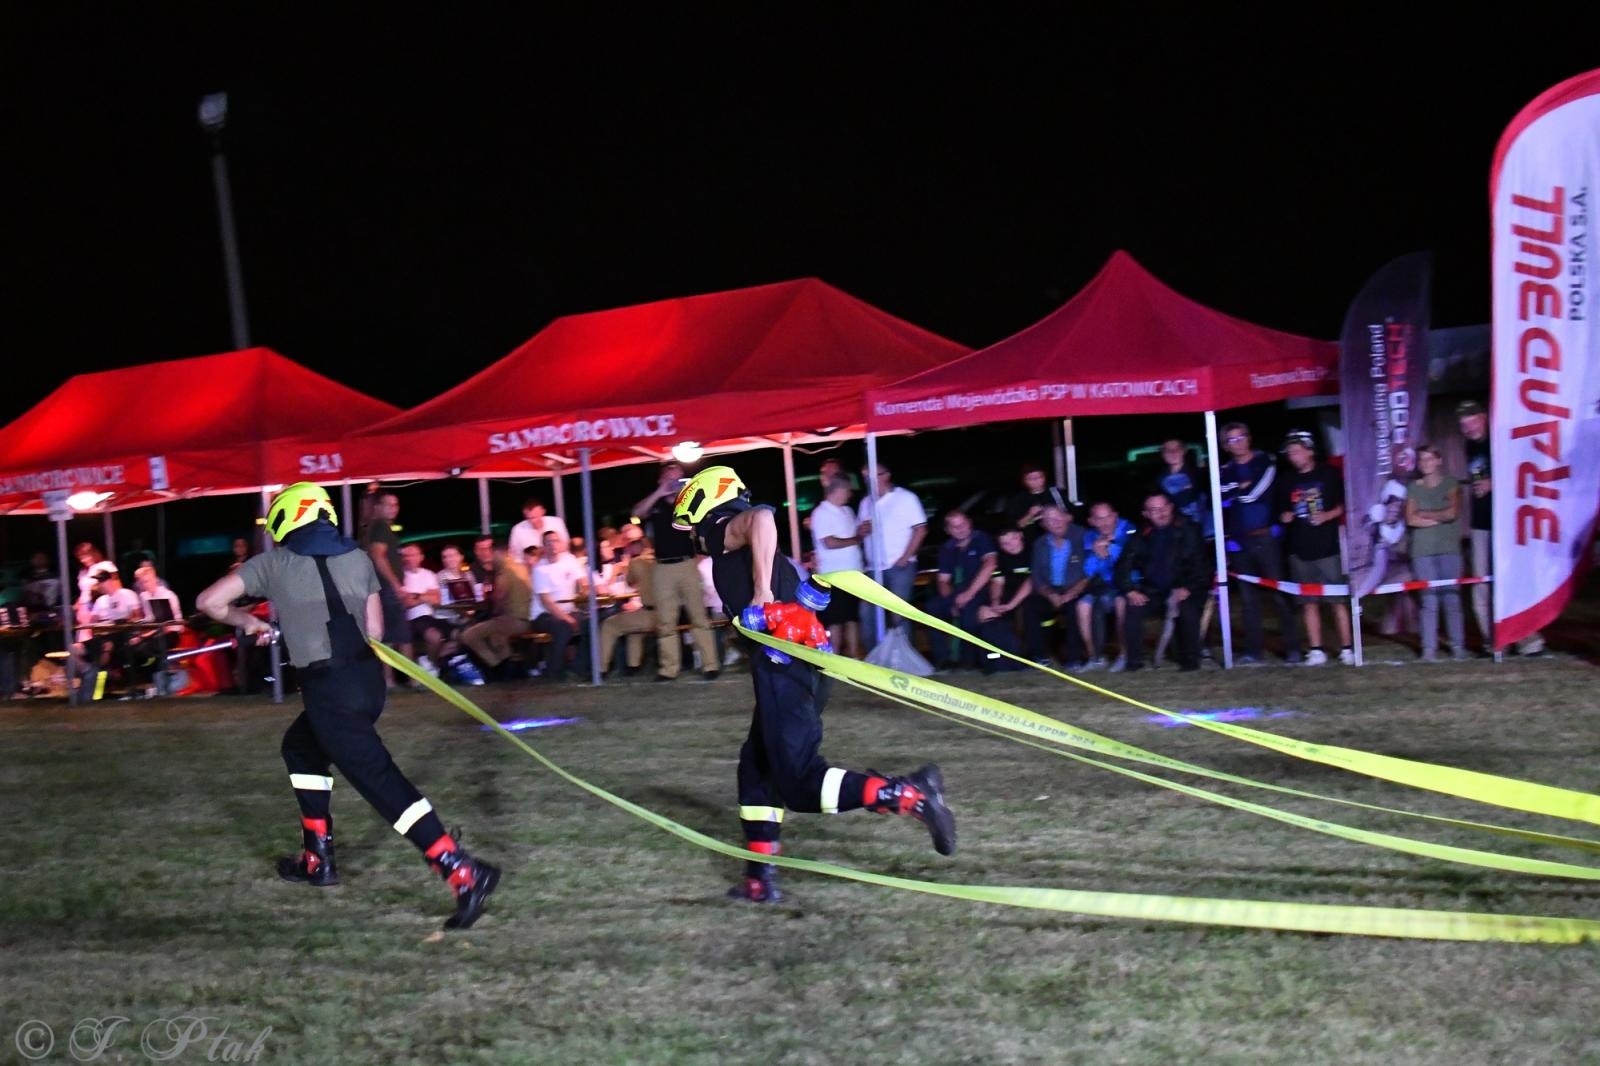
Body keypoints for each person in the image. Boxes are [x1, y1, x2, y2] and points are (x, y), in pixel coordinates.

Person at [195, 483, 500, 930]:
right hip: (367, 683)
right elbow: (373, 630)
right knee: (300, 748)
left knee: (379, 780)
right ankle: (317, 858)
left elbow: (208, 602)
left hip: (329, 690)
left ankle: (461, 870)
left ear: (284, 519)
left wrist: (250, 622)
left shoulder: (273, 563)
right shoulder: (358, 557)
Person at [672, 465, 955, 903]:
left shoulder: (720, 527)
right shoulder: (743, 544)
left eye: (692, 523)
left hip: (784, 665)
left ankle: (909, 794)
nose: (694, 535)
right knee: (756, 768)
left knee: (801, 784)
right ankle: (759, 880)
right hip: (790, 662)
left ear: (704, 501)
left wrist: (762, 594)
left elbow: (762, 517)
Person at [1458, 399, 1544, 655]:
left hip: (1506, 522)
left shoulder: (1502, 440)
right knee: (1481, 582)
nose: (1469, 428)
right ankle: (1495, 642)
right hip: (1480, 523)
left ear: (1484, 418)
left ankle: (1528, 639)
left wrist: (1493, 484)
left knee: (1512, 579)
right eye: (1464, 425)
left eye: (1472, 422)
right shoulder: (1470, 446)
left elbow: (1523, 472)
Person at [1219, 422, 1302, 664]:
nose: (1238, 443)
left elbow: (1252, 494)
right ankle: (1253, 651)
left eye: (1241, 437)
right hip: (1239, 541)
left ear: (1249, 438)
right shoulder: (1224, 470)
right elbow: (1222, 498)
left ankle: (1293, 648)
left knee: (1279, 593)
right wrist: (1238, 491)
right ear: (1225, 446)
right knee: (1248, 599)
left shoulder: (1265, 461)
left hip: (1266, 538)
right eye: (1232, 440)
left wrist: (1236, 492)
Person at [633, 462, 719, 682]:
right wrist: (660, 492)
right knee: (666, 621)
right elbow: (636, 513)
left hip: (687, 564)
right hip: (662, 567)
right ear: (661, 479)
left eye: (678, 477)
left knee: (698, 616)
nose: (673, 481)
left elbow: (705, 519)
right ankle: (669, 669)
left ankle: (710, 665)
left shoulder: (688, 501)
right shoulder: (655, 503)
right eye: (669, 477)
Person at [1275, 430, 1352, 666]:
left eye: (1297, 451)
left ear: (1310, 451)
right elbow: (1281, 511)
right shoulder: (1286, 480)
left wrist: (1327, 515)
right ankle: (1316, 650)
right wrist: (1285, 516)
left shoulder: (1328, 474)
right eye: (1290, 453)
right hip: (1298, 550)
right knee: (1308, 602)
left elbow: (1344, 505)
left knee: (1337, 601)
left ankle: (1347, 649)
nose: (1293, 456)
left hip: (1327, 549)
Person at [1116, 493, 1209, 672]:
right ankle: (1134, 662)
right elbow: (1123, 566)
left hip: (1186, 588)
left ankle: (1190, 661)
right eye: (1154, 509)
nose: (1161, 512)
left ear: (1171, 507)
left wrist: (1188, 588)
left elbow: (1202, 565)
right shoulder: (1140, 535)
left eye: (1164, 507)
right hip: (1154, 591)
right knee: (1132, 607)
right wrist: (1130, 590)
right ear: (1146, 514)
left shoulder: (1190, 530)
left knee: (1187, 608)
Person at [856, 460, 928, 650]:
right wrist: (862, 531)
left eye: (872, 476)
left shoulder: (906, 498)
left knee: (899, 614)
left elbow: (921, 529)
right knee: (867, 613)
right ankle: (875, 657)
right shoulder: (865, 502)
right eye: (865, 477)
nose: (868, 481)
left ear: (886, 475)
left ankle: (905, 657)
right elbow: (860, 532)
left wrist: (905, 558)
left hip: (899, 566)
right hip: (873, 568)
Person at [1407, 444, 1469, 662]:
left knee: (1451, 599)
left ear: (1438, 460)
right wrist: (1438, 518)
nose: (1425, 463)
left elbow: (1452, 513)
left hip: (1449, 549)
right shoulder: (1414, 487)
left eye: (1429, 459)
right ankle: (1428, 650)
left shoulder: (1451, 483)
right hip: (1422, 551)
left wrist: (1425, 513)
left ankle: (1458, 647)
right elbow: (1410, 519)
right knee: (1428, 601)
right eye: (1421, 459)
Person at [925, 510, 997, 668]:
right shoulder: (947, 549)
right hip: (957, 594)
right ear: (948, 530)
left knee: (969, 615)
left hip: (981, 590)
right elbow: (943, 581)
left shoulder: (981, 539)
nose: (961, 529)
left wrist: (968, 594)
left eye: (963, 524)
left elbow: (990, 564)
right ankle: (943, 660)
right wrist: (951, 602)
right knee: (932, 608)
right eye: (955, 527)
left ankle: (969, 660)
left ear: (969, 523)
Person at [460, 541, 533, 681]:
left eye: (492, 554)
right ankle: (510, 670)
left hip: (512, 620)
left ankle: (496, 667)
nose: (491, 558)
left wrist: (490, 602)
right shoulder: (521, 568)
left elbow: (499, 597)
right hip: (525, 619)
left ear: (498, 553)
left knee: (469, 635)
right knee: (496, 636)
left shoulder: (504, 571)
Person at [359, 491, 412, 683]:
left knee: (388, 635)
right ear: (378, 507)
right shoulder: (380, 527)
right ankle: (411, 679)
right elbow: (378, 555)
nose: (393, 508)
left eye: (395, 504)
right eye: (388, 504)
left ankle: (390, 680)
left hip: (381, 588)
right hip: (387, 588)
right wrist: (396, 585)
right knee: (402, 635)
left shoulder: (376, 528)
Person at [808, 476, 864, 658]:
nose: (850, 494)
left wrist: (861, 533)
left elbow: (853, 535)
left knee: (852, 618)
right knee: (836, 621)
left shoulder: (848, 511)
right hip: (834, 577)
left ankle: (854, 657)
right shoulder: (821, 513)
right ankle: (835, 660)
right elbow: (829, 542)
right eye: (848, 490)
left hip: (853, 575)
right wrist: (856, 539)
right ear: (839, 490)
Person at [1026, 506, 1089, 665]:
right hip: (1050, 590)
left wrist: (1073, 592)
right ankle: (1039, 656)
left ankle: (1074, 658)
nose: (1056, 522)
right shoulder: (1040, 543)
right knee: (1031, 607)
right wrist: (1050, 594)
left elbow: (1091, 571)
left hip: (1077, 588)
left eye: (1059, 517)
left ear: (1067, 517)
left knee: (1076, 608)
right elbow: (1037, 575)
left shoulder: (1083, 536)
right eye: (1050, 520)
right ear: (1044, 525)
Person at [1077, 502, 1133, 670]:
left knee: (1120, 603)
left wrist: (1111, 548)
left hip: (1126, 583)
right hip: (1103, 584)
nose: (1105, 522)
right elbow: (1088, 570)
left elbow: (1128, 564)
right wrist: (1096, 553)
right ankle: (1095, 657)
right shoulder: (1090, 536)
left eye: (1108, 517)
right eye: (1099, 519)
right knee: (1082, 605)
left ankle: (1124, 654)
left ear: (1115, 516)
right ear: (1091, 521)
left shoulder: (1129, 529)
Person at [529, 531, 587, 682]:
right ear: (544, 547)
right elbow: (546, 602)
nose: (553, 545)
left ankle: (581, 666)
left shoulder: (570, 560)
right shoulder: (540, 569)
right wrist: (567, 618)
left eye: (555, 541)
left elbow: (583, 582)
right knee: (563, 626)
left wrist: (586, 592)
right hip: (543, 615)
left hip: (569, 610)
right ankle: (555, 671)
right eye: (548, 542)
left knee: (589, 623)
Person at [1007, 464, 1070, 542]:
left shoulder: (1056, 493)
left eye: (1039, 477)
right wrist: (1030, 514)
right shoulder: (1018, 499)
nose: (1036, 481)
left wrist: (1054, 518)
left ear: (1044, 478)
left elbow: (1070, 516)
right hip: (1033, 541)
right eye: (1030, 478)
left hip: (1060, 538)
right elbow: (1019, 525)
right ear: (1024, 481)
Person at [507, 497, 570, 562]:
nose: (533, 521)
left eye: (535, 517)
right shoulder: (517, 530)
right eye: (529, 518)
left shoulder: (556, 522)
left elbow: (567, 545)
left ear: (543, 512)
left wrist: (541, 551)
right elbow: (515, 556)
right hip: (531, 566)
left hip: (560, 562)